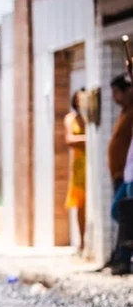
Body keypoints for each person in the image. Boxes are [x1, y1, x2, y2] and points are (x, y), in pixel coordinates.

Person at [102, 74, 133, 275]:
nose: (114, 97)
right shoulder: (124, 113)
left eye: (116, 92)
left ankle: (122, 258)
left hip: (127, 173)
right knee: (123, 213)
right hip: (122, 173)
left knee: (122, 211)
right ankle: (118, 256)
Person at [64, 89, 86, 253]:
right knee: (80, 204)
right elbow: (69, 139)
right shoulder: (71, 119)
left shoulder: (87, 118)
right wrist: (88, 138)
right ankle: (82, 241)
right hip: (79, 165)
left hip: (89, 162)